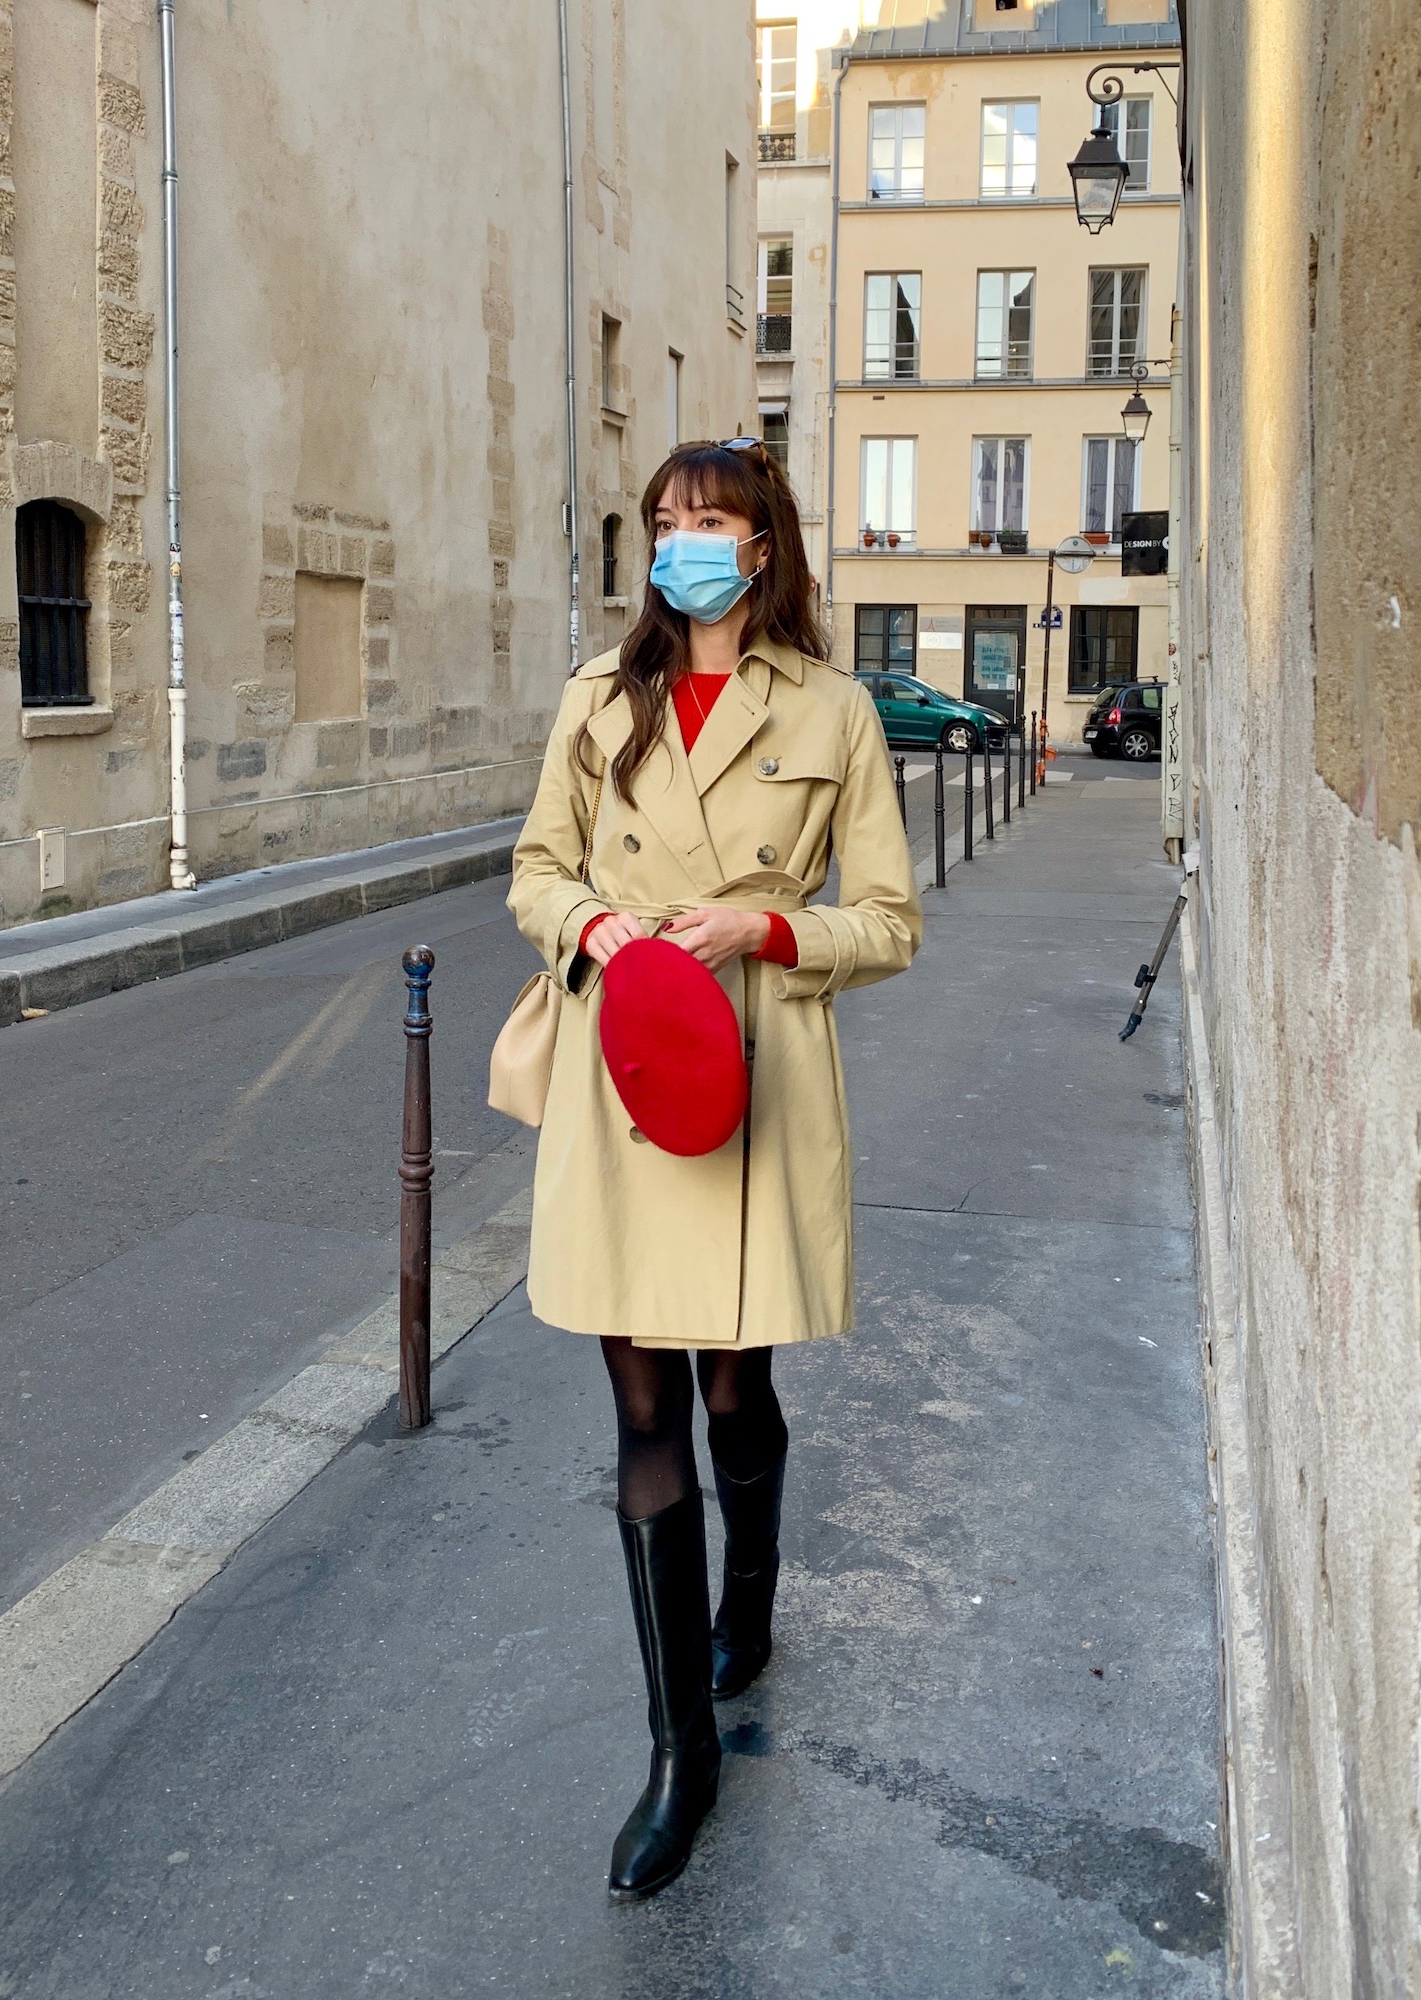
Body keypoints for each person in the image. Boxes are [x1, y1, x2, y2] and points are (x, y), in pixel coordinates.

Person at [507, 438, 922, 1901]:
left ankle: (752, 1597)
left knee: (735, 1385)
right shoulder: (594, 701)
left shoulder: (834, 707)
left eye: (713, 520)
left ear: (763, 547)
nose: (686, 540)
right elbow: (533, 872)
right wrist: (596, 930)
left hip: (753, 1068)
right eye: (666, 520)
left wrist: (767, 934)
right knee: (643, 1407)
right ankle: (681, 1751)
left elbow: (888, 918)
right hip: (624, 1072)